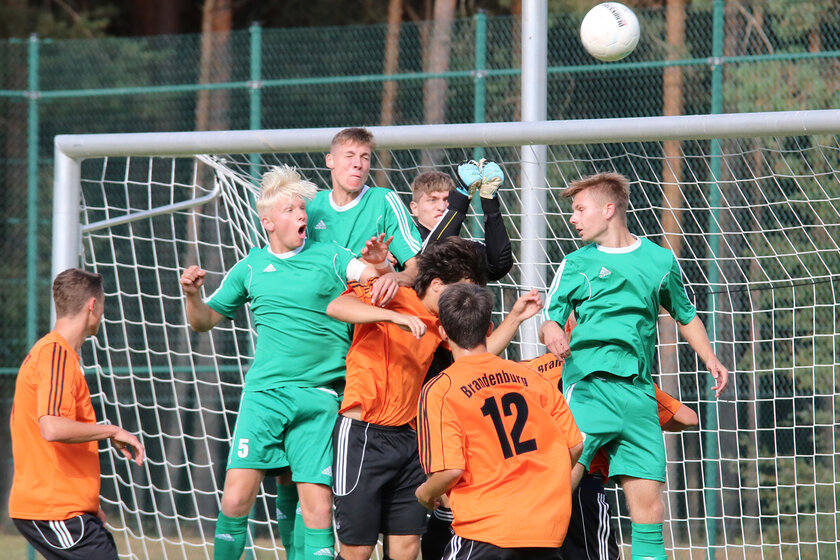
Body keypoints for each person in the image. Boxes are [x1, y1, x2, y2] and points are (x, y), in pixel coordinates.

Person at [179, 165, 392, 560]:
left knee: (317, 510)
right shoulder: (251, 267)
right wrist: (193, 296)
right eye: (292, 209)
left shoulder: (329, 255)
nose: (301, 216)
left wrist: (380, 265)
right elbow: (203, 321)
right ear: (268, 222)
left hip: (320, 398)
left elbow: (372, 275)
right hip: (264, 396)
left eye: (302, 209)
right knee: (235, 502)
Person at [538, 172, 729, 560]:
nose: (572, 219)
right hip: (588, 387)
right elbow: (549, 315)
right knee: (555, 492)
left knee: (650, 513)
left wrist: (710, 357)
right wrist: (553, 331)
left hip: (639, 395)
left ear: (609, 210)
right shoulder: (576, 263)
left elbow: (686, 314)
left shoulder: (659, 261)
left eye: (579, 209)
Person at [326, 237, 543, 560]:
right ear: (439, 285)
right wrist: (392, 316)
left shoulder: (441, 322)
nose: (466, 298)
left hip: (410, 439)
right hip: (363, 435)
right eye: (463, 289)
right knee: (358, 549)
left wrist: (514, 318)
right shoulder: (393, 294)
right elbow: (335, 307)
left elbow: (475, 355)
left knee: (406, 548)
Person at [416, 283, 584, 559]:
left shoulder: (442, 389)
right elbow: (575, 446)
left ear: (443, 332)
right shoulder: (533, 378)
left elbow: (450, 471)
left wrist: (424, 493)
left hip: (487, 530)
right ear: (490, 329)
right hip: (547, 529)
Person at [9, 267, 145, 560]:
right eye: (103, 305)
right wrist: (111, 430)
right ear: (92, 306)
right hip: (54, 509)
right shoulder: (55, 355)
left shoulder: (57, 355)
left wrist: (88, 504)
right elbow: (52, 428)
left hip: (64, 507)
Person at [523, 351, 699, 560]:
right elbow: (688, 418)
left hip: (533, 485)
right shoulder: (617, 374)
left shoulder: (528, 369)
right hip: (583, 487)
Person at [307, 126, 423, 296]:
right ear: (330, 161)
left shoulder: (384, 201)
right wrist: (359, 264)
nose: (358, 164)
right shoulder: (311, 206)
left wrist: (393, 277)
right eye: (349, 156)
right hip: (323, 311)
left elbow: (417, 267)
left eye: (365, 157)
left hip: (372, 311)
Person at [409, 160, 512, 281]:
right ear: (414, 208)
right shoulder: (403, 241)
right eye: (432, 200)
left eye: (447, 200)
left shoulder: (459, 246)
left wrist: (490, 202)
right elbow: (430, 259)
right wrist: (462, 196)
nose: (442, 207)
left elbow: (498, 266)